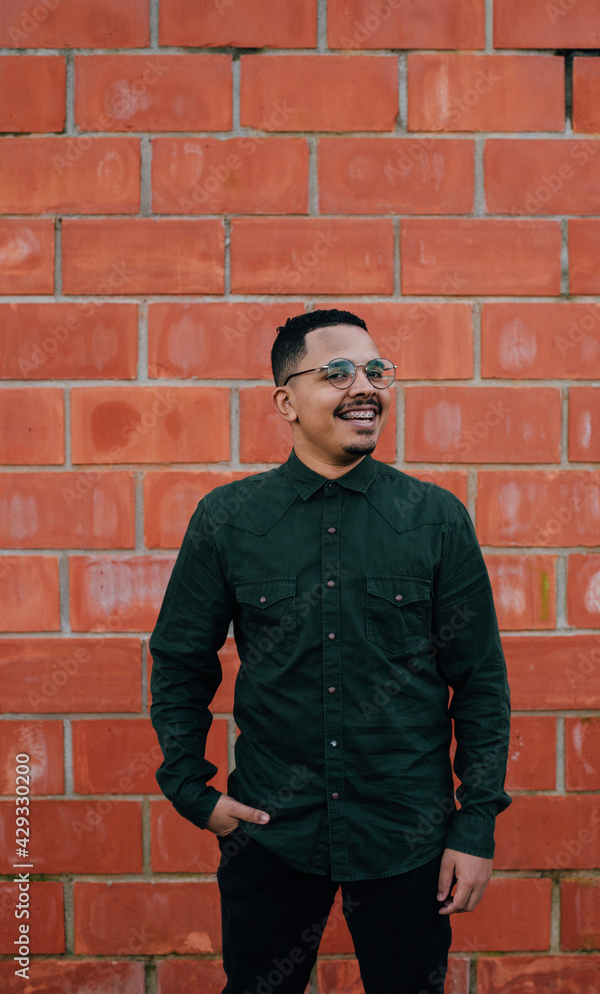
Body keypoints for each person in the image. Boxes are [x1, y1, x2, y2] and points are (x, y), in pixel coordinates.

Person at [149, 309, 511, 994]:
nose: (364, 386)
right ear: (286, 401)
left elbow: (481, 682)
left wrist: (476, 825)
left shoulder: (435, 519)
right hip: (271, 832)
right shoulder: (229, 520)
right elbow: (180, 661)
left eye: (375, 370)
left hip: (408, 836)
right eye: (337, 372)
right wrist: (192, 791)